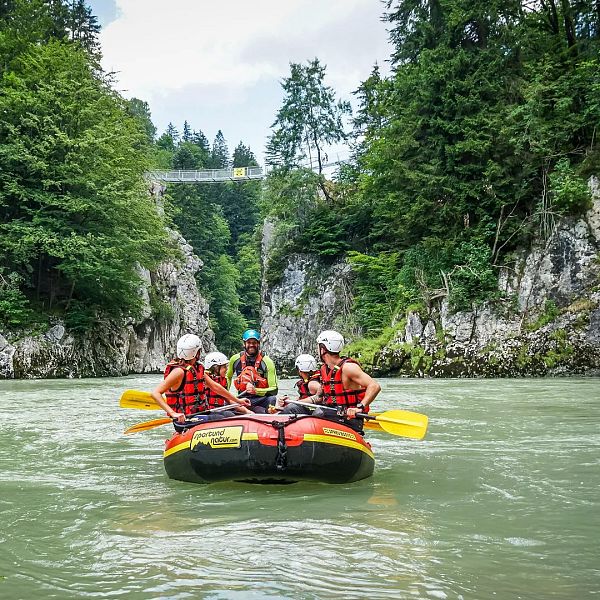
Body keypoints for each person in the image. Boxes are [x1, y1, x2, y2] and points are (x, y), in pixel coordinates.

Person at [151, 334, 249, 427]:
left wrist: (238, 401)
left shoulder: (197, 368)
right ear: (196, 352)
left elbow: (215, 387)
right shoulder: (179, 372)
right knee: (223, 419)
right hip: (185, 419)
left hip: (199, 414)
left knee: (229, 415)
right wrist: (173, 413)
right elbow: (155, 393)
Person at [310, 329, 381, 432]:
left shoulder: (348, 368)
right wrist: (294, 403)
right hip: (331, 415)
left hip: (349, 420)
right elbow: (318, 397)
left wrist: (359, 407)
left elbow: (374, 386)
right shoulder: (325, 369)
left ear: (323, 349)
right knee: (317, 412)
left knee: (319, 413)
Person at [226, 329, 278, 414]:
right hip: (241, 398)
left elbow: (274, 389)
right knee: (225, 401)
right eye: (249, 342)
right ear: (244, 343)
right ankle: (251, 411)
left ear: (258, 344)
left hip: (260, 399)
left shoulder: (267, 362)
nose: (251, 345)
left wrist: (256, 390)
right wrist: (226, 394)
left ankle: (261, 412)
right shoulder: (235, 359)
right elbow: (227, 377)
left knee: (272, 399)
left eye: (254, 342)